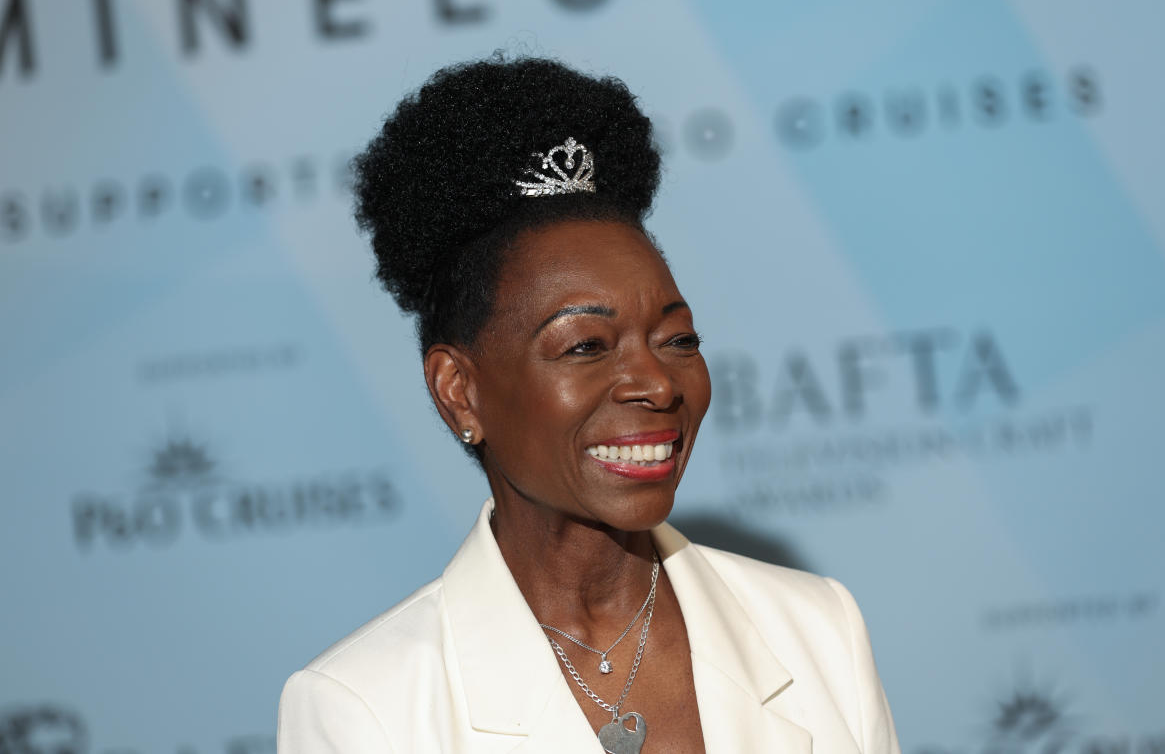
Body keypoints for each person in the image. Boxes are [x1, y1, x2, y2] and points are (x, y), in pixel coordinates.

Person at [277, 55, 900, 754]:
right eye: (585, 346)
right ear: (460, 391)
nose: (657, 384)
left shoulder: (818, 630)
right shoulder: (369, 709)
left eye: (677, 338)